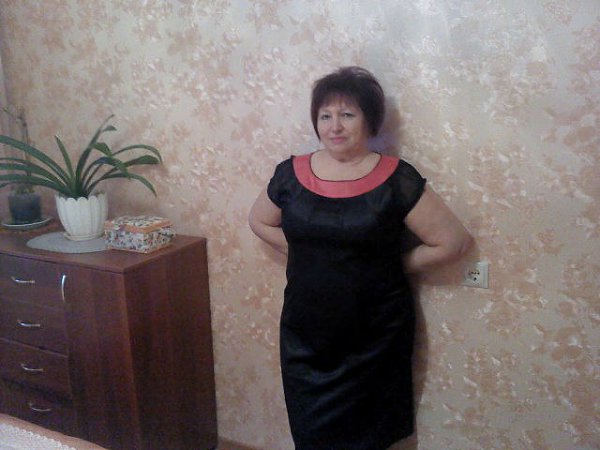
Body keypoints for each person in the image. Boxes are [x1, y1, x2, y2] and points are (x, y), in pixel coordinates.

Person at [249, 66, 473, 450]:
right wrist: (309, 254)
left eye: (347, 114)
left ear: (370, 120)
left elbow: (453, 242)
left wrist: (390, 264)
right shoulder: (290, 174)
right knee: (312, 435)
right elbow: (259, 221)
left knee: (369, 436)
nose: (335, 126)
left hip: (374, 338)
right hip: (306, 336)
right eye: (325, 116)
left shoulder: (396, 178)